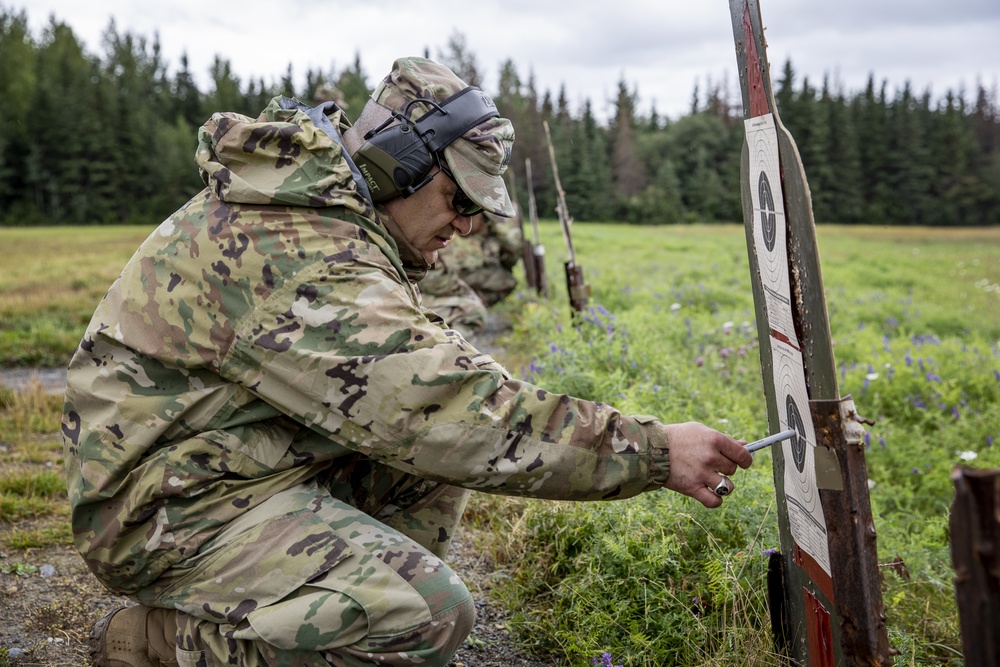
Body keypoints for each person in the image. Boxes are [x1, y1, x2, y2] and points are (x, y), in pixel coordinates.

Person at [62, 56, 752, 667]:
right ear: (403, 163)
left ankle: (340, 618)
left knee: (426, 468)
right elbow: (447, 408)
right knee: (429, 611)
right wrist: (654, 451)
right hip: (159, 510)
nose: (468, 226)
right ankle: (162, 640)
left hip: (221, 460)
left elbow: (437, 403)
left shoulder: (331, 217)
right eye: (460, 200)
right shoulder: (309, 252)